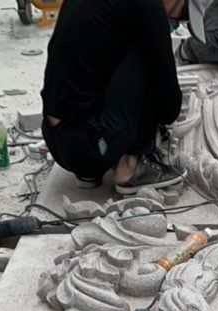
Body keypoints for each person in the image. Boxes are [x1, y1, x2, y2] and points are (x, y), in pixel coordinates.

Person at [41, 0, 186, 194]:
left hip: (54, 138)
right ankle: (130, 168)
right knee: (148, 51)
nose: (175, 22)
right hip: (91, 147)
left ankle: (89, 174)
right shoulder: (149, 6)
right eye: (179, 15)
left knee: (113, 46)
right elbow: (169, 107)